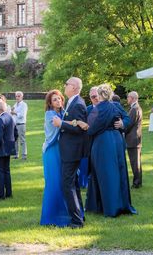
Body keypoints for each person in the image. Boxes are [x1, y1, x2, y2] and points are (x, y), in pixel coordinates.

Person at [85, 84, 136, 217]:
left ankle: (107, 206)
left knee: (105, 173)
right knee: (118, 171)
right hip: (117, 140)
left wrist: (122, 123)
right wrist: (122, 123)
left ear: (101, 95)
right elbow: (127, 117)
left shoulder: (98, 109)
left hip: (103, 142)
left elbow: (90, 129)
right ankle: (121, 204)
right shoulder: (115, 106)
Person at [52, 77, 87, 228]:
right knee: (73, 184)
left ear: (73, 87)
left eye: (66, 84)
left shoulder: (78, 104)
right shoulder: (72, 102)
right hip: (69, 150)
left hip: (72, 151)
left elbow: (79, 129)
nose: (64, 86)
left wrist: (61, 124)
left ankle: (76, 221)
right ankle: (79, 216)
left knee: (67, 185)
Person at [40, 89, 71, 226]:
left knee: (63, 182)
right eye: (55, 100)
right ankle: (51, 216)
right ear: (50, 103)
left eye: (59, 98)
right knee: (54, 183)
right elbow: (58, 128)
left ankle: (65, 212)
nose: (58, 101)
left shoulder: (63, 112)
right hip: (52, 151)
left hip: (62, 151)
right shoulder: (50, 114)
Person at [0, 98, 16, 200]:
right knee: (7, 171)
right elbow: (16, 133)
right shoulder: (10, 117)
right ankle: (9, 193)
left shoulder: (0, 119)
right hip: (8, 148)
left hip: (0, 149)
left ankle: (1, 195)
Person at [125, 91, 143, 189]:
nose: (127, 99)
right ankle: (138, 181)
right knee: (136, 162)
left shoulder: (134, 109)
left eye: (128, 97)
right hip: (135, 139)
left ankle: (136, 183)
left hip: (133, 139)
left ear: (132, 98)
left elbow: (129, 124)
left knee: (135, 162)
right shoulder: (135, 108)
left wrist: (122, 129)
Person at [12, 91, 28, 160]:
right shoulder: (15, 105)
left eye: (19, 96)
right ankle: (16, 154)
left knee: (22, 140)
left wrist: (14, 112)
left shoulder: (24, 105)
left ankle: (24, 155)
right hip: (15, 124)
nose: (17, 97)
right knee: (15, 140)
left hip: (21, 124)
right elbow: (13, 114)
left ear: (22, 97)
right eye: (16, 96)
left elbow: (22, 115)